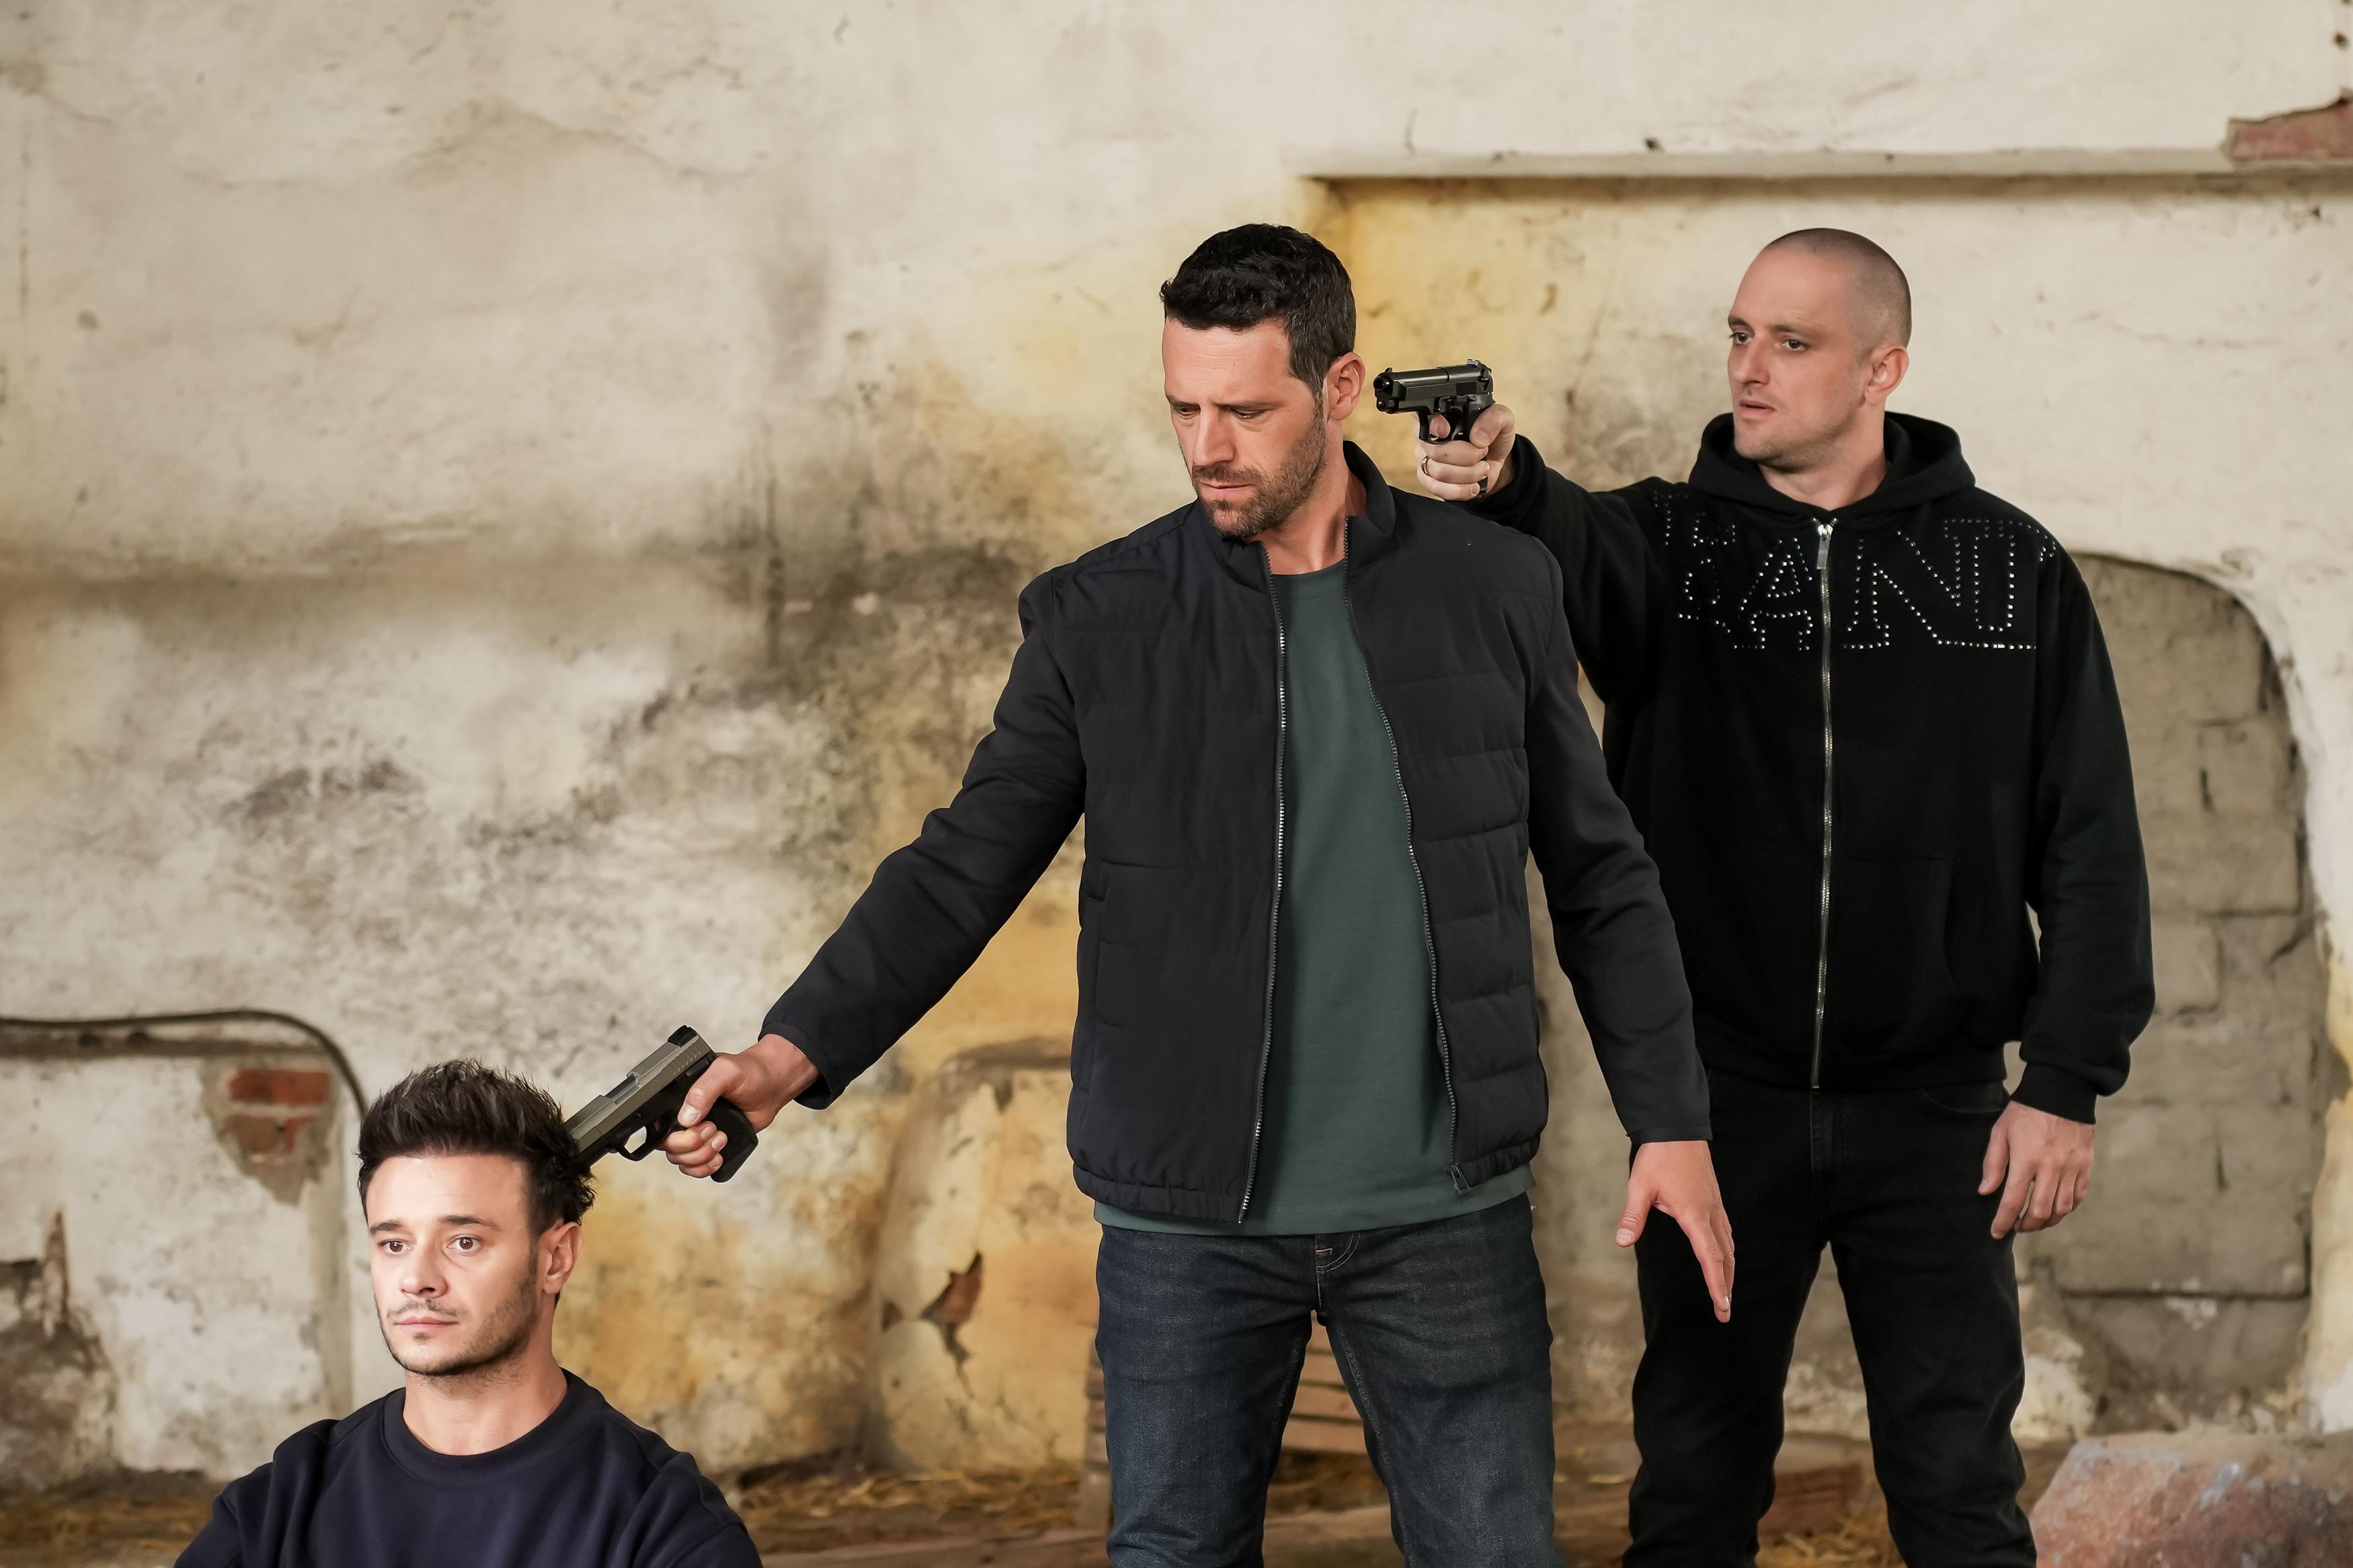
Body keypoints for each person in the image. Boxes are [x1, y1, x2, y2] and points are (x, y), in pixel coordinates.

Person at [660, 224, 1732, 1567]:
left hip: (1442, 1212)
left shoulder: (1496, 585)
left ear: (1340, 390)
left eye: (1246, 410)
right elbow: (960, 863)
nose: (1208, 446)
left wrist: (1670, 1120)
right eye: (1184, 408)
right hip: (1186, 1226)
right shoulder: (1099, 616)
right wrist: (786, 1053)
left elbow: (1600, 874)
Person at [1416, 228, 2154, 1567]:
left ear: (1883, 368)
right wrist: (1503, 477)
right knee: (1694, 1485)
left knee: (1957, 1489)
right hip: (1714, 1107)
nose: (1749, 367)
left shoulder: (2009, 567)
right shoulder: (1666, 544)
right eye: (1740, 334)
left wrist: (2063, 1078)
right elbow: (1557, 532)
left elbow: (2092, 836)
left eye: (1792, 342)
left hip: (1938, 1114)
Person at [180, 1061, 760, 1568]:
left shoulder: (664, 1526)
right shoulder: (277, 1510)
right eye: (394, 1243)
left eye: (464, 1241)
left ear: (556, 1258)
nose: (417, 1278)